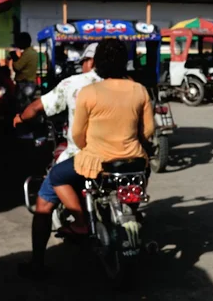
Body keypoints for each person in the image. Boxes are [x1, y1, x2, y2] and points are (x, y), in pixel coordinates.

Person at [48, 39, 155, 235]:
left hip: (96, 160)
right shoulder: (139, 89)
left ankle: (81, 222)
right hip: (133, 159)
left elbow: (77, 134)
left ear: (97, 62)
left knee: (56, 176)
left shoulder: (89, 92)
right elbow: (148, 130)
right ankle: (132, 209)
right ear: (124, 62)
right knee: (142, 174)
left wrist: (88, 148)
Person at [15, 43, 101, 280]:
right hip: (123, 156)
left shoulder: (75, 83)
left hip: (82, 157)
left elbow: (36, 107)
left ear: (89, 62)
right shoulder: (128, 85)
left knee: (44, 201)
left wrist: (20, 117)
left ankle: (38, 263)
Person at [10, 32, 38, 110]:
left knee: (22, 107)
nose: (17, 44)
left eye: (18, 41)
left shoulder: (27, 53)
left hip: (24, 84)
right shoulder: (33, 52)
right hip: (31, 83)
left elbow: (17, 67)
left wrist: (14, 57)